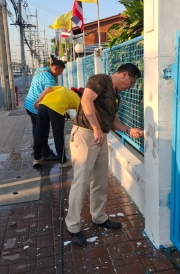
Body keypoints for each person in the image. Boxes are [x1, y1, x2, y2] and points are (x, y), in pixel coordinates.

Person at [65, 63, 144, 246]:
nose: (130, 87)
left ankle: (99, 217)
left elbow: (114, 121)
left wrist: (129, 130)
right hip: (86, 134)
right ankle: (73, 226)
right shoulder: (100, 80)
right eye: (131, 82)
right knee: (81, 181)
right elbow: (86, 100)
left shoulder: (116, 96)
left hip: (100, 137)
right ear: (125, 74)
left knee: (100, 180)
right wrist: (95, 128)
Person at [32, 86, 84, 168]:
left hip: (43, 104)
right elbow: (80, 118)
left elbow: (48, 89)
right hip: (57, 108)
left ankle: (36, 159)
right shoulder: (79, 100)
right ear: (81, 96)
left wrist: (38, 100)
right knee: (58, 135)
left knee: (39, 132)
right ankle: (63, 161)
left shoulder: (63, 88)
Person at [25, 60, 65, 160]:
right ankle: (45, 153)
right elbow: (49, 95)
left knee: (36, 130)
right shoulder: (50, 79)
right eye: (59, 72)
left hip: (29, 104)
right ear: (56, 68)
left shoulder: (39, 70)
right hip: (38, 107)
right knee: (43, 131)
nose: (59, 75)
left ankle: (39, 151)